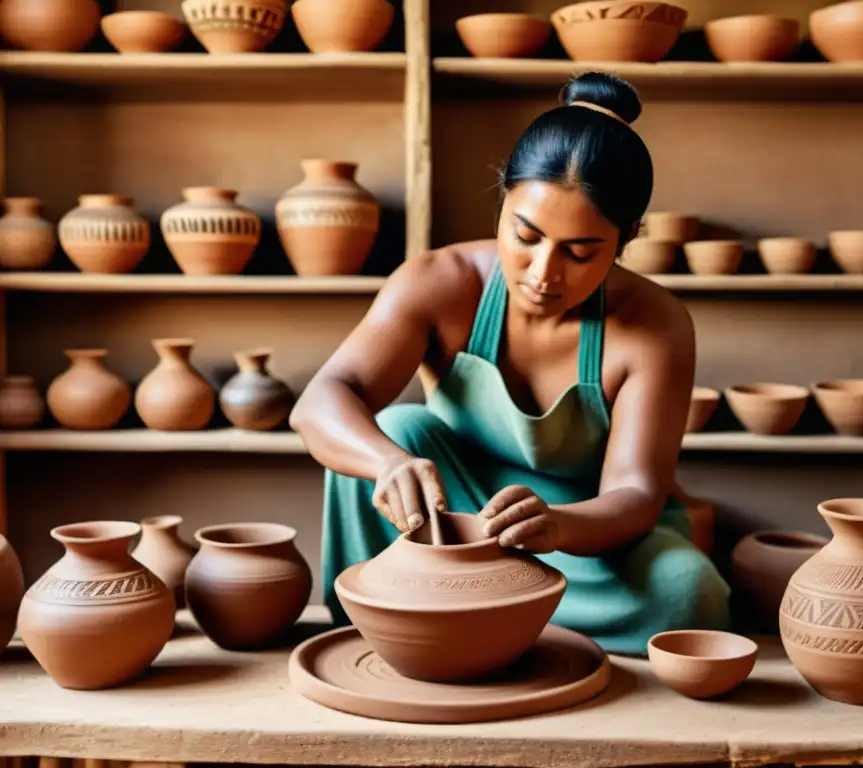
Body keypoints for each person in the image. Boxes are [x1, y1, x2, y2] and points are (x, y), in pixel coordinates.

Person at [290, 70, 731, 656]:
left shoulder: (655, 326)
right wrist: (387, 463)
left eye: (580, 252)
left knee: (689, 593)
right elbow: (321, 400)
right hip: (457, 514)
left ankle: (470, 620)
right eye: (526, 235)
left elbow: (635, 494)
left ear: (625, 239)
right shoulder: (440, 283)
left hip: (584, 534)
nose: (544, 273)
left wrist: (558, 526)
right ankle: (377, 627)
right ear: (503, 201)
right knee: (396, 429)